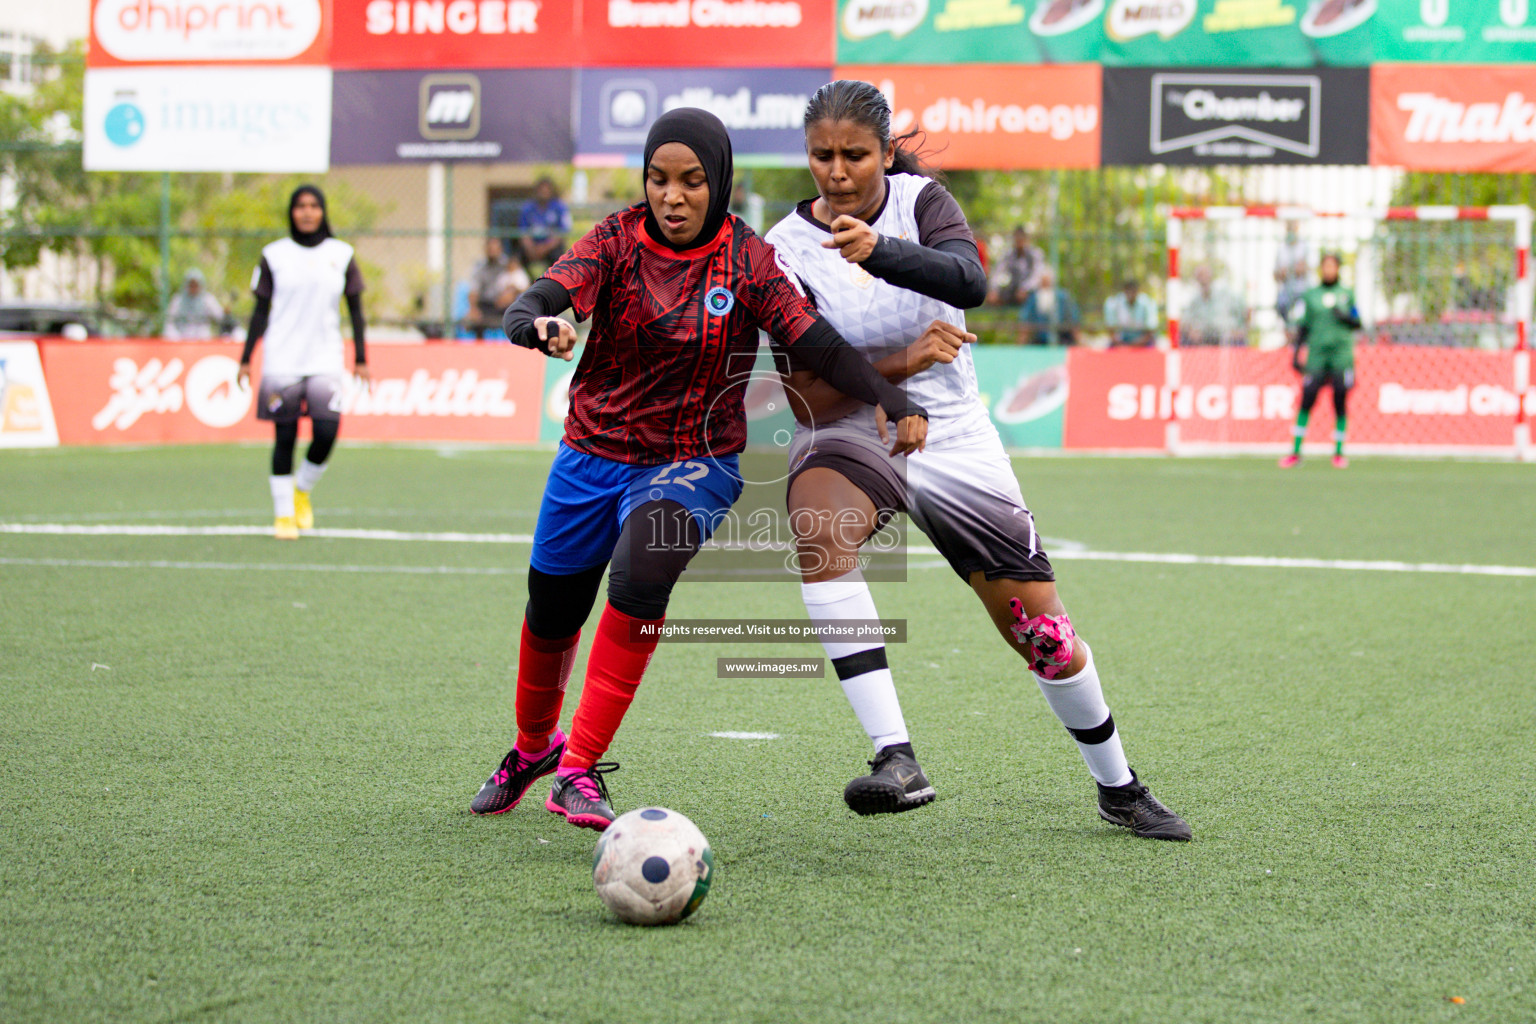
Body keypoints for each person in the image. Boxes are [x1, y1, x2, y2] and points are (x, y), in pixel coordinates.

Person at [470, 108, 928, 831]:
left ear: (717, 183)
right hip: (590, 455)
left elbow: (820, 346)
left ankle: (578, 770)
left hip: (694, 464)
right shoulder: (615, 240)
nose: (672, 196)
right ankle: (533, 750)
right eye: (658, 179)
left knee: (641, 572)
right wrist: (538, 324)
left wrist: (892, 396)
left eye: (689, 182)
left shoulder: (748, 260)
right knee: (552, 612)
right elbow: (538, 298)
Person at [765, 80, 1189, 840]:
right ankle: (897, 759)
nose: (837, 171)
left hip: (956, 435)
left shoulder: (922, 205)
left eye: (855, 155)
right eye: (821, 156)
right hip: (855, 431)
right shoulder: (782, 249)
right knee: (818, 531)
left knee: (1042, 634)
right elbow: (802, 397)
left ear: (886, 154)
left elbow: (971, 281)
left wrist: (879, 250)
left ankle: (1118, 787)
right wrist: (897, 368)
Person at [237, 185, 368, 540]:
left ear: (323, 211)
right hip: (282, 358)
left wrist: (360, 357)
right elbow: (260, 311)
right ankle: (283, 515)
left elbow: (355, 309)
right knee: (285, 436)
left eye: (313, 206)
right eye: (300, 206)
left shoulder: (341, 254)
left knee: (327, 431)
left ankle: (301, 491)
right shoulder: (274, 255)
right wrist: (246, 357)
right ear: (291, 212)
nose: (307, 212)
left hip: (325, 356)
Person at [1281, 253, 1359, 469]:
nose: (1329, 270)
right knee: (1307, 400)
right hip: (1316, 356)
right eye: (1325, 266)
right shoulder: (1310, 296)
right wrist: (1296, 354)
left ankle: (1339, 452)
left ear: (1338, 269)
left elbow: (1357, 321)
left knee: (1340, 401)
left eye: (1332, 266)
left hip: (1341, 356)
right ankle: (1295, 451)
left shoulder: (1347, 294)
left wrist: (1346, 317)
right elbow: (1302, 328)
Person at [517, 176, 572, 276]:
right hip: (532, 246)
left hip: (551, 246)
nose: (544, 192)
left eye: (546, 190)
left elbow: (562, 233)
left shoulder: (559, 207)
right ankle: (530, 283)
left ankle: (554, 283)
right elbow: (523, 231)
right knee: (518, 257)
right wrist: (531, 248)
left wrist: (545, 248)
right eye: (541, 190)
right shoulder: (528, 207)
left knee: (559, 258)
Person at [1182, 265, 1247, 347]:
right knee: (1185, 340)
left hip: (1225, 336)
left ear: (1210, 276)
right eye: (1200, 275)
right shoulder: (1194, 300)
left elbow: (1243, 311)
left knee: (1237, 341)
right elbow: (1185, 322)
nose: (1203, 278)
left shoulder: (1225, 293)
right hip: (1204, 337)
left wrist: (1240, 330)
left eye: (1205, 274)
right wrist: (1191, 331)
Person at [464, 237, 510, 340]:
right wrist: (473, 308)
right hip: (485, 303)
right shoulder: (479, 266)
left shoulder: (508, 265)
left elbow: (519, 284)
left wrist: (509, 295)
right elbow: (473, 289)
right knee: (475, 321)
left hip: (503, 304)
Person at [1017, 268, 1079, 344]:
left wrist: (1079, 342)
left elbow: (1073, 320)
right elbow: (1025, 321)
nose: (1045, 285)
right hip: (1040, 339)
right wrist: (1020, 345)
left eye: (1047, 282)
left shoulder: (1063, 297)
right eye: (1043, 282)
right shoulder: (1033, 299)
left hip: (1062, 338)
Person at [990, 226, 1045, 306]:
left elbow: (1037, 276)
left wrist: (1025, 289)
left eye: (1021, 239)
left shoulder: (1035, 254)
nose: (1019, 242)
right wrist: (994, 289)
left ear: (1027, 239)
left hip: (1032, 291)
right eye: (1017, 239)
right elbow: (997, 271)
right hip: (1014, 290)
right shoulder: (1009, 254)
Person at [164, 269, 224, 340]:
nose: (193, 288)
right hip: (182, 335)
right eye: (191, 285)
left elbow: (220, 316)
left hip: (202, 336)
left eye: (196, 285)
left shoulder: (208, 299)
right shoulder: (178, 300)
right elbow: (169, 321)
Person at [1103, 277, 1158, 347]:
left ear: (1138, 291)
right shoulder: (1115, 303)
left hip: (1142, 338)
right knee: (1109, 352)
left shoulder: (1147, 303)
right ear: (1124, 291)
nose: (1130, 294)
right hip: (1123, 337)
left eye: (1133, 291)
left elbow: (1150, 332)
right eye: (1128, 290)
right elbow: (1111, 330)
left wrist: (1134, 345)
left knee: (1152, 351)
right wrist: (1121, 345)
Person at [1275, 222, 1310, 324]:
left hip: (1302, 291)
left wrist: (1300, 269)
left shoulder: (1305, 246)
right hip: (1286, 292)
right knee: (1281, 306)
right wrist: (1282, 273)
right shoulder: (1281, 248)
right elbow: (1276, 274)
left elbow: (1308, 268)